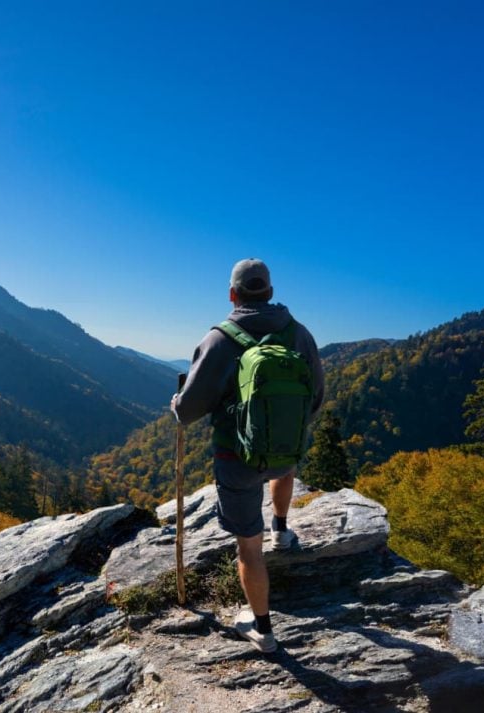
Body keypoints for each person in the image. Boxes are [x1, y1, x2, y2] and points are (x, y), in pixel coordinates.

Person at [170, 258, 324, 653]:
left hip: (236, 458)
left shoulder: (220, 339)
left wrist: (176, 402)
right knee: (282, 470)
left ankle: (263, 630)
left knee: (248, 549)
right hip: (286, 451)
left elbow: (188, 411)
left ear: (232, 294)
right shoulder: (299, 335)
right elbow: (316, 398)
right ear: (270, 292)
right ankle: (283, 529)